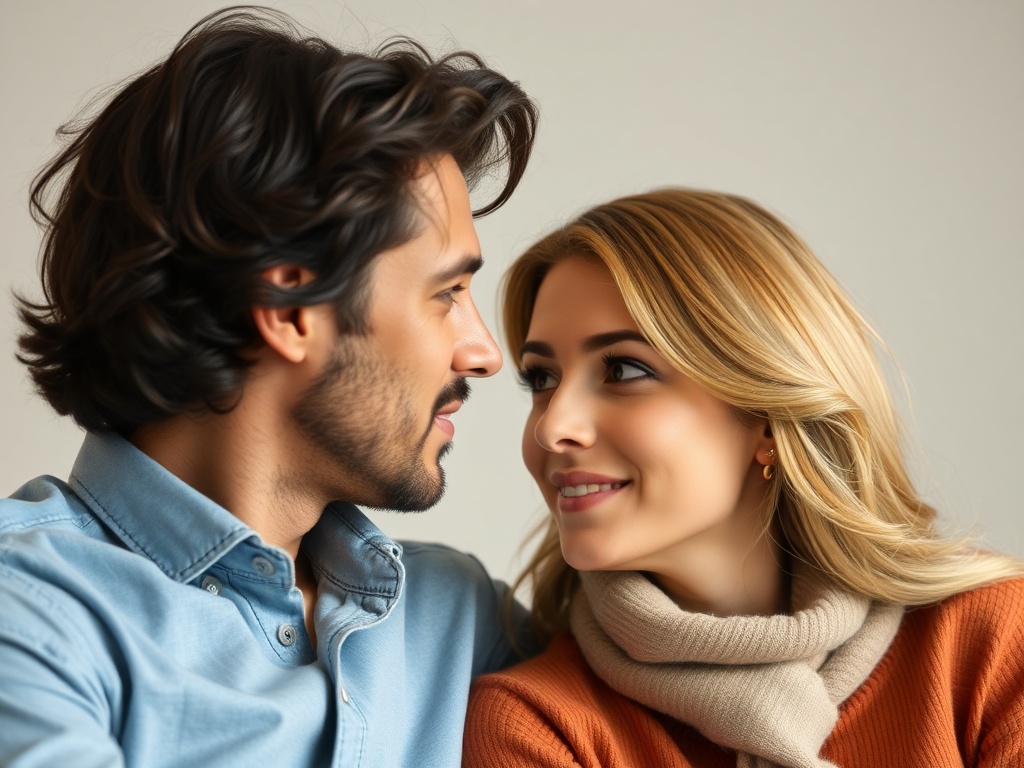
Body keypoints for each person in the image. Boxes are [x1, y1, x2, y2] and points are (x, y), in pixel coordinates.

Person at [0, 6, 537, 767]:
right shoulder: (28, 611)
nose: (484, 354)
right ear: (288, 309)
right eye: (447, 294)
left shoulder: (462, 623)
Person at [463, 189, 1024, 767]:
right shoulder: (535, 726)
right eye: (542, 378)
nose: (553, 425)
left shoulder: (992, 644)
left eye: (624, 369)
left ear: (767, 416)